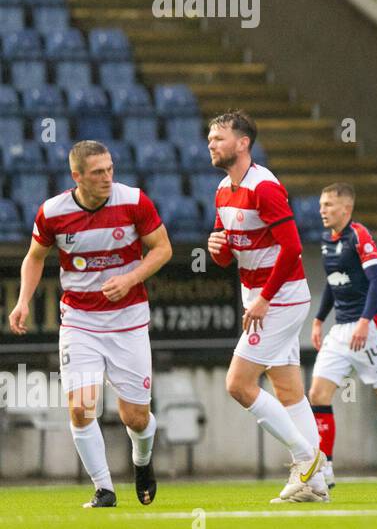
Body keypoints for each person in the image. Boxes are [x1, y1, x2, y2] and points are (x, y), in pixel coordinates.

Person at [7, 140, 172, 508]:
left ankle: (142, 462)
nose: (107, 178)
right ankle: (104, 489)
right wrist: (23, 301)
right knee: (81, 406)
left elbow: (163, 249)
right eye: (98, 172)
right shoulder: (53, 212)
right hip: (80, 322)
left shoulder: (133, 201)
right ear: (76, 176)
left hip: (128, 322)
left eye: (110, 169)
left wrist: (130, 279)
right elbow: (35, 258)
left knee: (136, 416)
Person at [206, 110, 327, 503]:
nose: (211, 143)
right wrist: (219, 251)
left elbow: (292, 248)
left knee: (238, 385)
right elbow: (233, 255)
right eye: (210, 137)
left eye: (219, 137)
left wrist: (264, 298)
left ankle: (305, 458)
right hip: (261, 297)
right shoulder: (223, 191)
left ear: (243, 143)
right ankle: (316, 485)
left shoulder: (265, 186)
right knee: (289, 390)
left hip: (280, 298)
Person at [309, 183, 377, 490]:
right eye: (321, 204)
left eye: (328, 204)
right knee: (317, 394)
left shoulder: (359, 236)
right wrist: (318, 320)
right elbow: (332, 283)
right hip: (340, 331)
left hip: (371, 329)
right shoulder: (327, 240)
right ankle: (325, 469)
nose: (322, 210)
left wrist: (365, 321)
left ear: (346, 208)